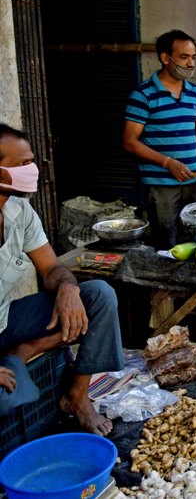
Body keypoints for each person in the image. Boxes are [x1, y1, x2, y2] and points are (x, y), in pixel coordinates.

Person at [0, 124, 124, 434]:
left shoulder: (20, 212)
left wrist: (67, 287)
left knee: (98, 296)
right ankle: (23, 353)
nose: (32, 170)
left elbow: (51, 268)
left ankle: (77, 396)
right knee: (7, 399)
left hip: (6, 321)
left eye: (31, 161)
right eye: (21, 165)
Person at [123, 29, 196, 249]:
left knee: (195, 239)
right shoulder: (143, 95)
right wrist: (168, 163)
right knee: (166, 242)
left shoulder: (195, 93)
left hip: (193, 181)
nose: (191, 63)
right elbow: (129, 141)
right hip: (161, 186)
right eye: (184, 57)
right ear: (165, 58)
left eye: (193, 57)